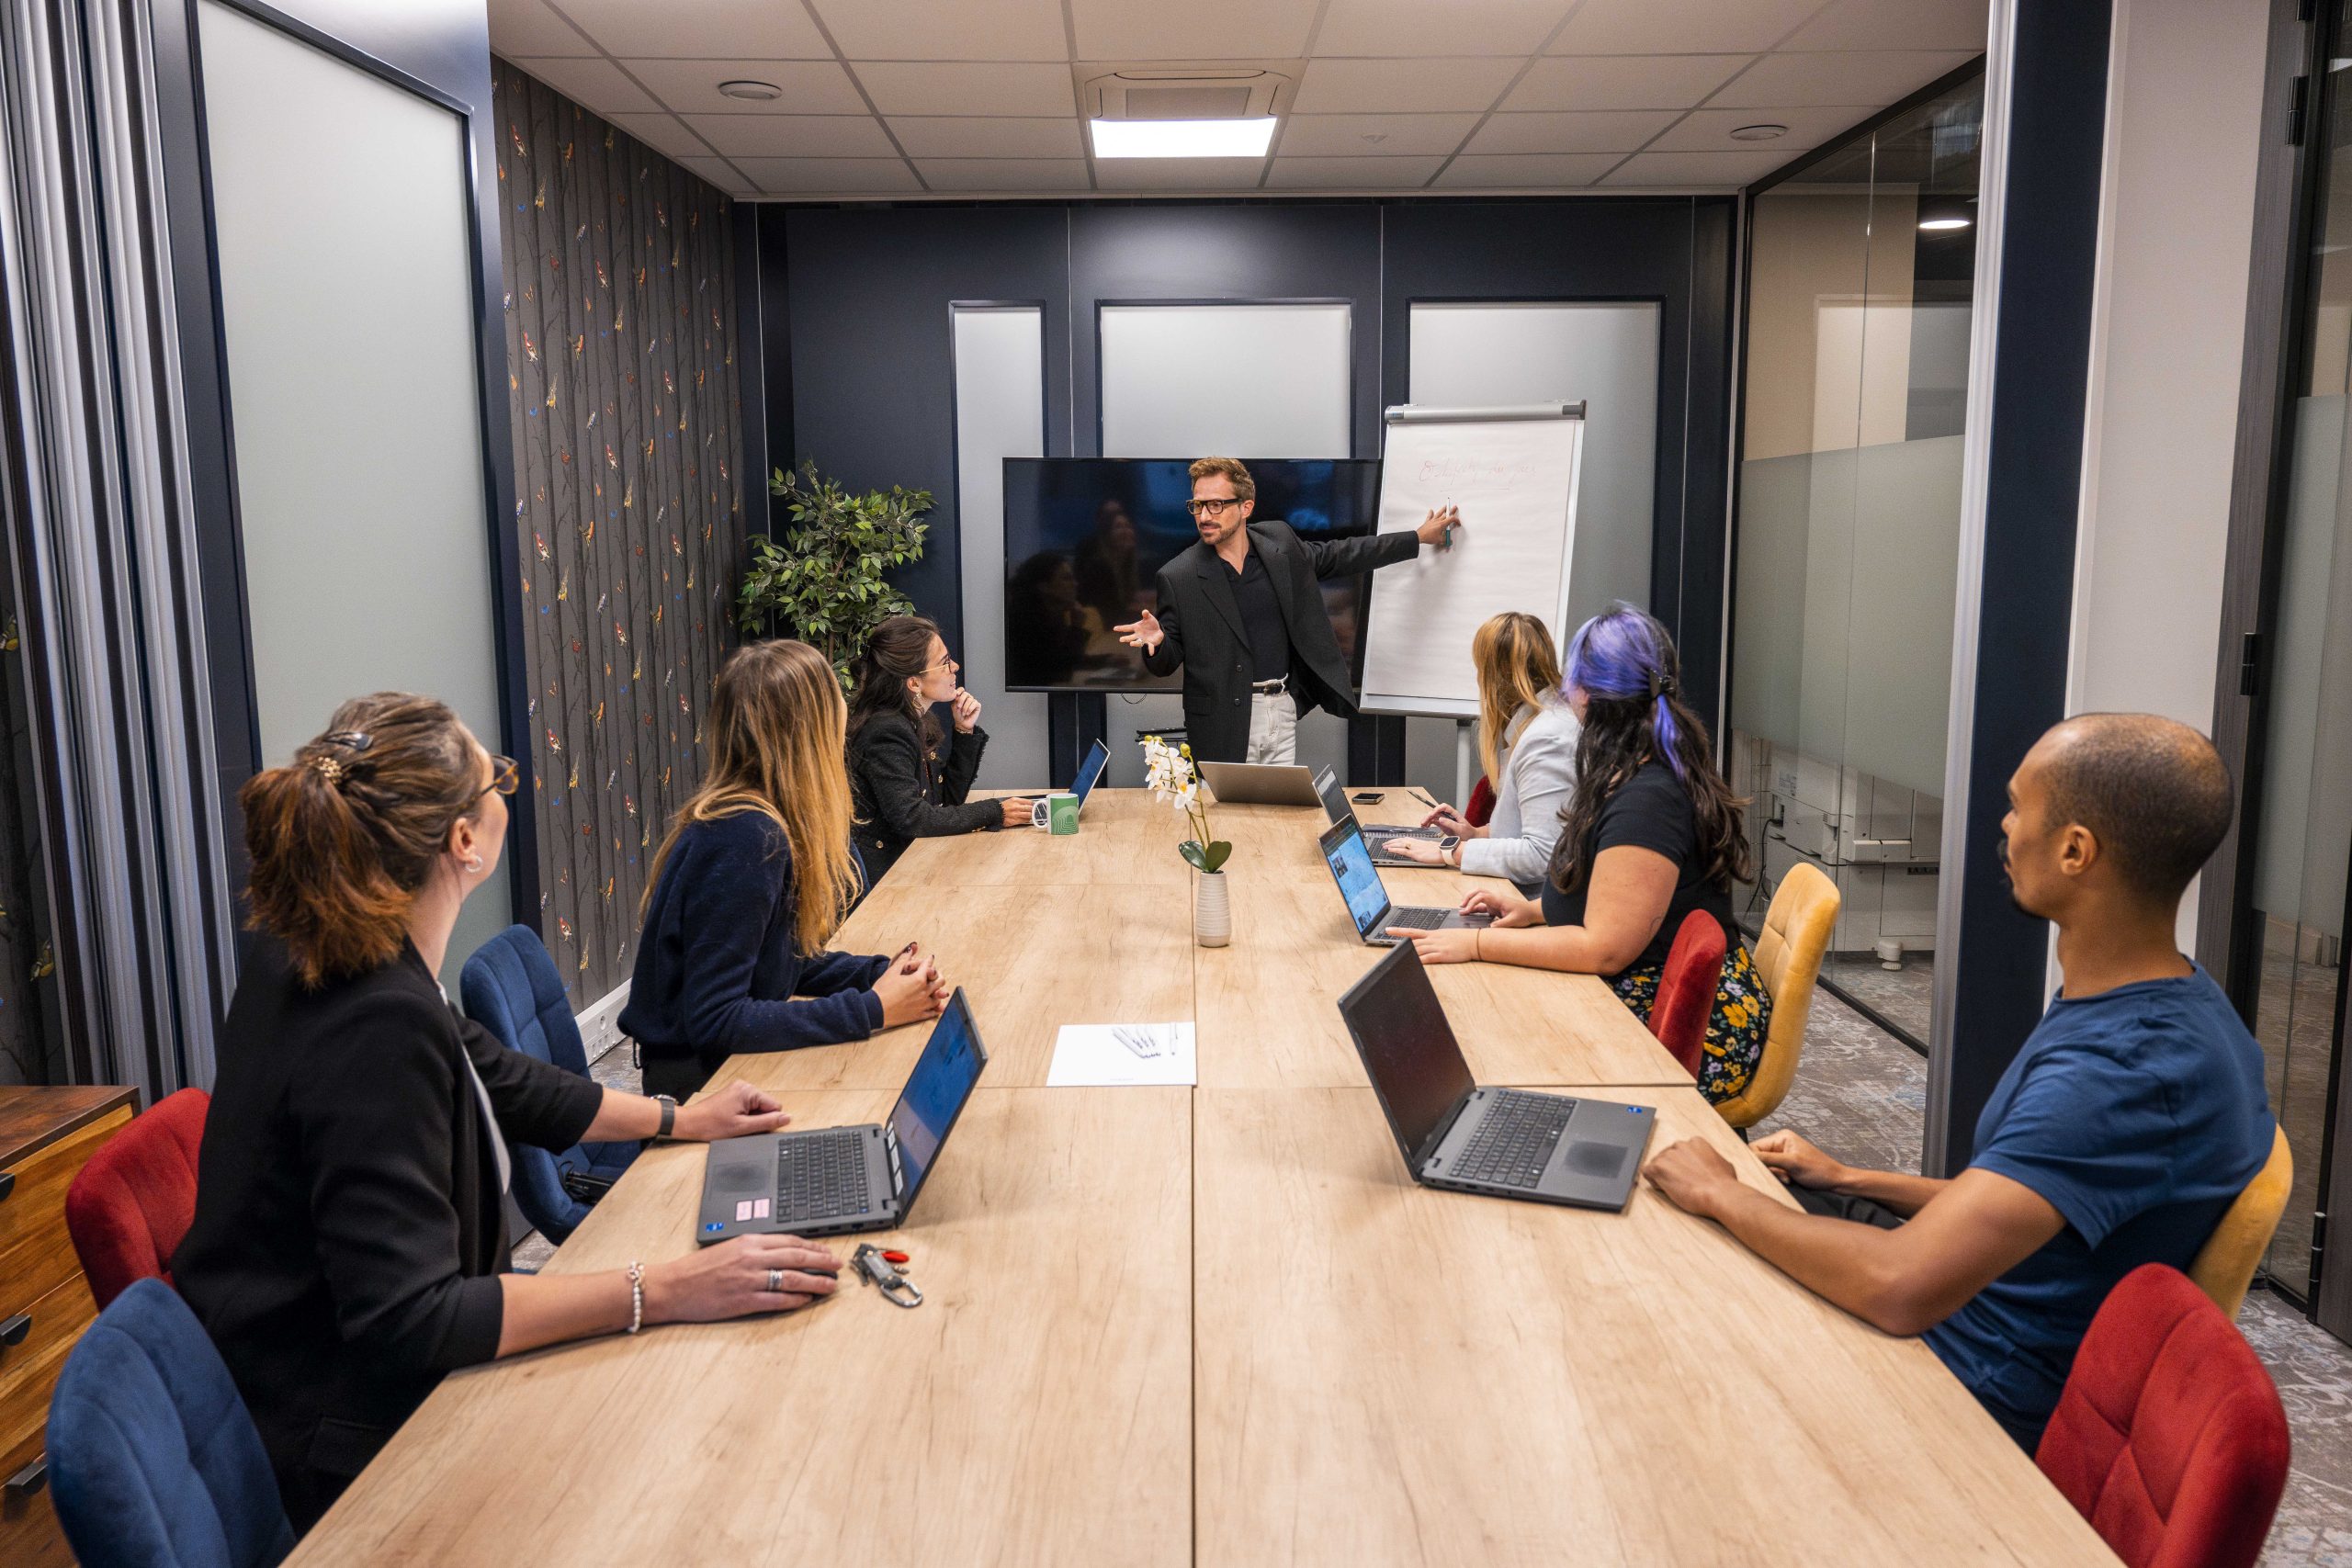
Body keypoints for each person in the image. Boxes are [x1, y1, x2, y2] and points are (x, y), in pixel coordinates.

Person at [175, 693, 842, 1531]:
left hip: (294, 1371)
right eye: (499, 778)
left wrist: (678, 1118)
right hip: (348, 1447)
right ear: (465, 840)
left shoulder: (325, 949)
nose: (504, 794)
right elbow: (413, 1317)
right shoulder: (376, 1016)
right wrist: (662, 1288)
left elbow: (501, 1077)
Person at [1642, 714, 2274, 1453]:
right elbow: (2035, 1202)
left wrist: (1723, 1192)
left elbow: (1899, 1285)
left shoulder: (2122, 1072)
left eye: (2018, 806)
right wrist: (1851, 1176)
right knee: (1708, 1223)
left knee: (1670, 1298)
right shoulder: (2174, 1005)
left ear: (2076, 850)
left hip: (1964, 1386)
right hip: (1963, 1307)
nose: (2004, 827)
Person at [1385, 604, 1770, 1103]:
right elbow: (1607, 891)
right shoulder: (1635, 766)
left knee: (1480, 1028)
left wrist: (1477, 946)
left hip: (1687, 1025)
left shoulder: (1647, 801)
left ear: (1588, 694)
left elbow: (1605, 948)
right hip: (1647, 986)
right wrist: (1533, 910)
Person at [621, 639, 949, 1100]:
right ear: (809, 731)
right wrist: (872, 1010)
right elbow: (716, 1019)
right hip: (704, 1086)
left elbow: (778, 963)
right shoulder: (745, 838)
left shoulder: (762, 820)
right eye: (836, 706)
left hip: (723, 1068)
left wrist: (876, 974)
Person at [1115, 456, 1464, 765]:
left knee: (1276, 820)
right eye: (1198, 505)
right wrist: (1158, 642)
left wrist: (1416, 537)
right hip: (1221, 721)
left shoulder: (1278, 543)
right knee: (1229, 828)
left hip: (1280, 708)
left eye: (1216, 505)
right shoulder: (1179, 575)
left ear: (1246, 507)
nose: (1205, 516)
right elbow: (1166, 663)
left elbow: (1342, 554)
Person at [1381, 611, 1578, 893]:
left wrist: (1449, 853)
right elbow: (1527, 827)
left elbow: (1542, 855)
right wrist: (1473, 835)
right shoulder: (1541, 724)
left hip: (1531, 903)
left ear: (1496, 676)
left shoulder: (1546, 740)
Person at [847, 615, 1032, 884]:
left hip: (914, 864)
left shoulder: (912, 720)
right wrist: (995, 811)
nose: (955, 666)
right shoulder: (885, 731)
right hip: (884, 884)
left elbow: (946, 800)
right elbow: (913, 818)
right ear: (914, 683)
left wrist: (964, 730)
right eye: (945, 663)